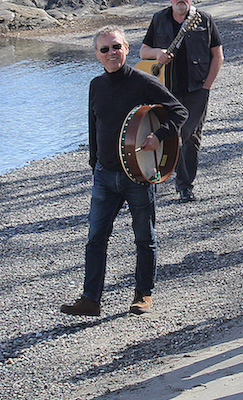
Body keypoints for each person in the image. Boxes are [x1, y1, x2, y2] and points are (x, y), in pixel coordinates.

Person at [60, 26, 188, 317]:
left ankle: (143, 295)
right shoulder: (96, 85)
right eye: (104, 50)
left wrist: (159, 135)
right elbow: (94, 128)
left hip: (137, 176)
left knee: (144, 237)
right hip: (104, 176)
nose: (111, 54)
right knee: (95, 239)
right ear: (97, 54)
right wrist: (94, 164)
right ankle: (91, 299)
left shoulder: (143, 81)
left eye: (115, 47)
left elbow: (179, 111)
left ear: (126, 48)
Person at [140, 0, 224, 203]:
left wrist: (207, 86)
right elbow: (143, 52)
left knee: (189, 135)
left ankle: (185, 185)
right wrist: (158, 53)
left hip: (197, 89)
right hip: (166, 90)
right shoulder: (159, 19)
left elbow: (217, 55)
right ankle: (157, 176)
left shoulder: (204, 19)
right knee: (165, 133)